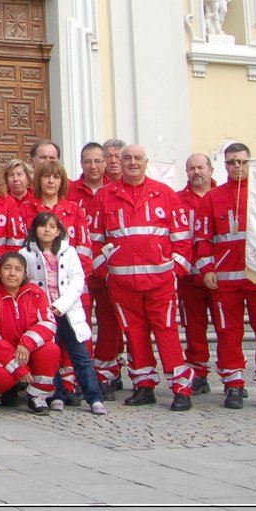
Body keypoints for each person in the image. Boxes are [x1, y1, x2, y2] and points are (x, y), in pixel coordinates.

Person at [97, 144, 195, 410]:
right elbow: (95, 241)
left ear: (146, 161)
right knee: (134, 335)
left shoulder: (164, 194)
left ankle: (180, 387)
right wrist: (106, 273)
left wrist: (175, 271)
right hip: (123, 285)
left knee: (167, 333)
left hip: (160, 284)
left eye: (137, 158)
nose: (131, 163)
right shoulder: (106, 195)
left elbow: (182, 239)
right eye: (126, 158)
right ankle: (144, 385)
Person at [199, 143, 256, 409]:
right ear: (224, 165)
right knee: (228, 334)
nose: (237, 167)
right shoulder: (212, 198)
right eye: (232, 162)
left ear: (250, 163)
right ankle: (233, 383)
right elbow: (203, 238)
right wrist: (207, 269)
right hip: (225, 280)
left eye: (242, 162)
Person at [21, 212, 105, 414]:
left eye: (51, 226)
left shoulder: (69, 252)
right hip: (43, 314)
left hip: (67, 311)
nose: (47, 230)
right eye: (42, 226)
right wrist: (41, 308)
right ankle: (55, 394)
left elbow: (77, 280)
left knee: (81, 355)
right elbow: (26, 283)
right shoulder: (25, 253)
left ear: (58, 231)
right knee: (51, 355)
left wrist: (61, 305)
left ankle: (94, 397)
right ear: (35, 230)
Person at [0, 253, 60, 413]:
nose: (12, 273)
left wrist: (27, 343)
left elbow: (49, 323)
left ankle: (38, 396)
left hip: (25, 350)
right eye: (7, 268)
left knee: (50, 350)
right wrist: (17, 367)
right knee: (0, 378)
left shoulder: (35, 292)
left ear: (25, 274)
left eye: (18, 269)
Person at [73, 141, 122, 394]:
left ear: (105, 162)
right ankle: (81, 373)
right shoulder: (70, 191)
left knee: (108, 322)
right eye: (87, 161)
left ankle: (105, 373)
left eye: (97, 161)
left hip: (107, 270)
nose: (93, 166)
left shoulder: (116, 191)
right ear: (81, 164)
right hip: (77, 271)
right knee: (80, 323)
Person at [178, 152, 218, 394]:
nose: (196, 172)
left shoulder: (223, 196)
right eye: (191, 168)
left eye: (200, 167)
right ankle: (198, 372)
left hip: (218, 277)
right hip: (189, 277)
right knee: (194, 327)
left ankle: (231, 375)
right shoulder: (177, 200)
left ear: (211, 170)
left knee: (226, 329)